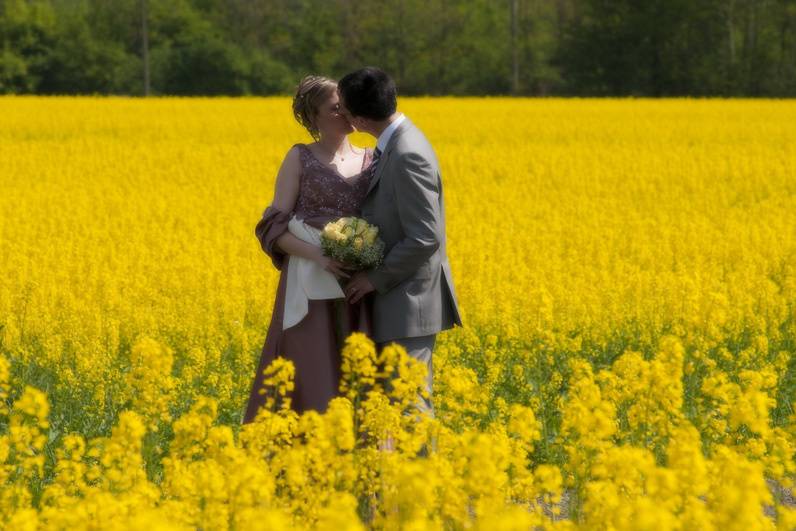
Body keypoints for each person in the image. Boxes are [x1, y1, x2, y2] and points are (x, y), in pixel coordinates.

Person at [336, 67, 464, 436]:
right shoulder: (395, 143)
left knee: (410, 403)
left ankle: (419, 490)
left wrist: (373, 278)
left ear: (358, 120)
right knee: (396, 402)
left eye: (343, 108)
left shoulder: (407, 153)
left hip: (411, 299)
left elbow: (425, 237)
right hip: (402, 296)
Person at [242, 75, 376, 424]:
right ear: (314, 117)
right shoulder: (299, 158)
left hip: (357, 286)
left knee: (359, 373)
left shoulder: (373, 158)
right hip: (309, 282)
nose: (346, 112)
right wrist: (319, 256)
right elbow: (272, 228)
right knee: (310, 367)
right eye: (335, 107)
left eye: (346, 104)